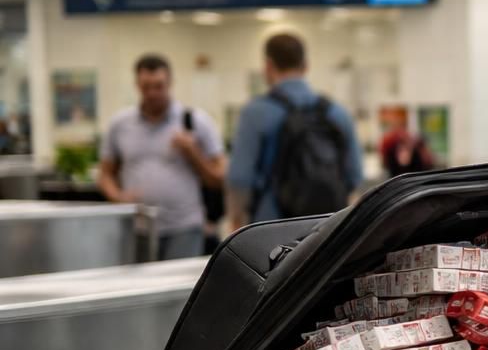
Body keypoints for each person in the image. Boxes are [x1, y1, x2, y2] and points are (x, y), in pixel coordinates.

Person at [227, 33, 363, 228]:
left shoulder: (255, 112)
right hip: (327, 228)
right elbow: (354, 176)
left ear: (268, 66)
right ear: (306, 65)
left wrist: (236, 222)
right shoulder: (337, 113)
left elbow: (240, 178)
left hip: (272, 227)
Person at [98, 54, 225, 260]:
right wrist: (117, 197)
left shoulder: (195, 121)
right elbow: (105, 174)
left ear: (170, 83)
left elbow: (219, 177)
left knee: (180, 290)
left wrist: (193, 153)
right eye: (146, 87)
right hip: (138, 228)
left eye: (159, 86)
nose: (152, 93)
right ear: (137, 85)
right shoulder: (120, 124)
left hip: (184, 227)